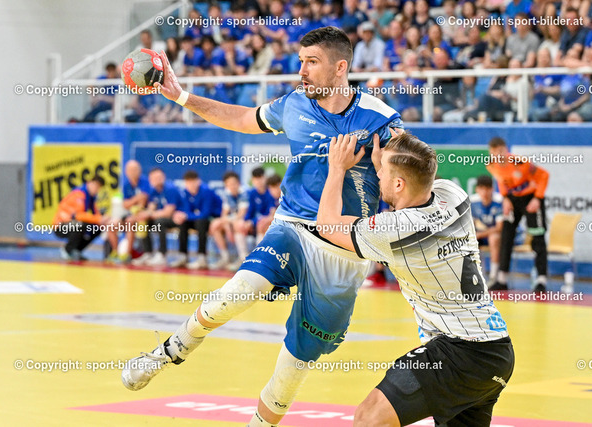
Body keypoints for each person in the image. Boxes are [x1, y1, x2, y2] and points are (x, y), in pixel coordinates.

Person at [121, 26, 403, 427]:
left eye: (312, 62)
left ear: (340, 68)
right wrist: (181, 96)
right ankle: (168, 352)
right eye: (301, 61)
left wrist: (388, 185)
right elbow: (241, 117)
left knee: (295, 364)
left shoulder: (380, 119)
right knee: (236, 292)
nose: (301, 70)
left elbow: (406, 177)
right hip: (292, 225)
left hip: (344, 246)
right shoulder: (293, 104)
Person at [316, 132, 514, 427]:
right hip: (496, 350)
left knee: (368, 417)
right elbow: (418, 180)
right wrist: (393, 159)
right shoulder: (454, 195)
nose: (378, 174)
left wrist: (337, 167)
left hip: (460, 352)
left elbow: (327, 225)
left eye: (382, 171)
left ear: (399, 184)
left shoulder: (394, 231)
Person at [486, 137, 550, 292]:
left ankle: (541, 280)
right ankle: (502, 279)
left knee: (537, 236)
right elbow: (501, 181)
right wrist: (505, 198)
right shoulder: (491, 165)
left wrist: (537, 198)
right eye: (494, 152)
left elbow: (544, 175)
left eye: (501, 151)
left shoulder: (520, 163)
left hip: (531, 198)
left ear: (506, 150)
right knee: (506, 235)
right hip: (513, 200)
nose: (498, 155)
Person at [169, 170, 221, 269]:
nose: (191, 185)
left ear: (198, 181)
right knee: (183, 223)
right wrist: (182, 216)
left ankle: (202, 257)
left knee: (201, 222)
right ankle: (183, 256)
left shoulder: (206, 191)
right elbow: (186, 211)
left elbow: (205, 213)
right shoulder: (185, 192)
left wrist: (187, 215)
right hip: (196, 219)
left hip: (212, 219)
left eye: (193, 182)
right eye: (188, 182)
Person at [53, 176, 114, 260]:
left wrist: (103, 219)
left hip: (72, 224)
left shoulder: (91, 197)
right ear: (89, 183)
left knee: (97, 228)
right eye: (96, 186)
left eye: (99, 188)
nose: (96, 190)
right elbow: (79, 215)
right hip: (60, 226)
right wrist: (99, 219)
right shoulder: (79, 194)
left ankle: (76, 250)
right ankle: (68, 250)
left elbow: (97, 215)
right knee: (81, 225)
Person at [131, 168, 182, 267]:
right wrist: (144, 214)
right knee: (143, 220)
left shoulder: (170, 189)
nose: (157, 180)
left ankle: (162, 255)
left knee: (159, 222)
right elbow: (151, 208)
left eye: (159, 177)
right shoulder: (153, 191)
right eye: (154, 178)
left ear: (164, 177)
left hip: (177, 218)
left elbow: (168, 212)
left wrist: (150, 214)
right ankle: (147, 253)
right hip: (160, 216)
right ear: (150, 180)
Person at [108, 160, 151, 263]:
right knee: (111, 225)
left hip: (143, 215)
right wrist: (136, 199)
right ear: (126, 172)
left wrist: (132, 202)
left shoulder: (145, 182)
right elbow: (125, 205)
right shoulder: (126, 185)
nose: (133, 172)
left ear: (140, 170)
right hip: (128, 214)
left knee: (130, 222)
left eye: (135, 169)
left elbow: (143, 201)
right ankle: (115, 252)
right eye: (130, 170)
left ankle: (128, 254)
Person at [234, 168, 278, 266]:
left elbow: (269, 214)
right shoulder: (252, 193)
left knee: (261, 224)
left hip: (264, 223)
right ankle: (243, 258)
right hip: (254, 223)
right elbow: (250, 210)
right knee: (239, 225)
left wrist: (253, 222)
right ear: (252, 180)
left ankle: (260, 260)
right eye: (256, 179)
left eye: (260, 178)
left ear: (264, 178)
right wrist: (246, 221)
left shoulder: (270, 192)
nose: (258, 181)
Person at [209, 171, 250, 270]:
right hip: (232, 220)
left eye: (234, 183)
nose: (232, 186)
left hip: (246, 221)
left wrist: (229, 222)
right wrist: (227, 228)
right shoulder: (226, 193)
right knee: (215, 224)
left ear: (238, 183)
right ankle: (225, 257)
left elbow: (242, 214)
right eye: (229, 184)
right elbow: (224, 214)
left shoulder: (244, 192)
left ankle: (243, 258)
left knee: (238, 224)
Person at [471, 175, 504, 283]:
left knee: (494, 238)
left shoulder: (499, 200)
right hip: (480, 235)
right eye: (481, 188)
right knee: (470, 240)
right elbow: (470, 225)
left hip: (498, 236)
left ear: (492, 189)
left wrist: (480, 234)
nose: (484, 192)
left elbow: (499, 227)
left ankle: (494, 277)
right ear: (477, 189)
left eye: (487, 189)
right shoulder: (473, 201)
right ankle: (476, 276)